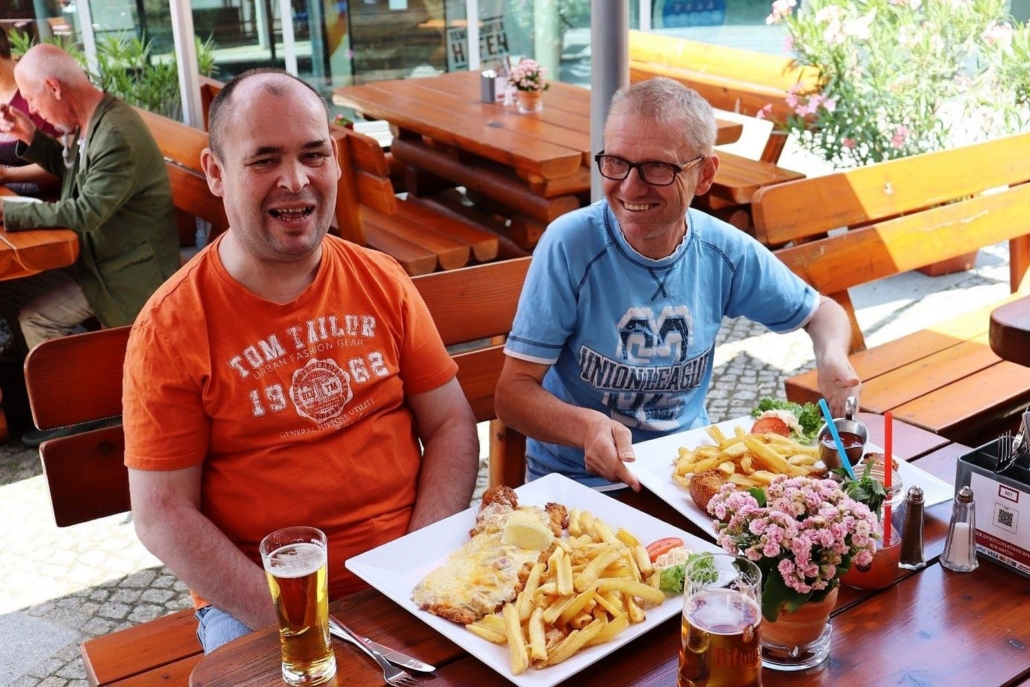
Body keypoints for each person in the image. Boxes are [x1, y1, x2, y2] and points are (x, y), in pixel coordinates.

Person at [122, 68, 479, 654]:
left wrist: (421, 562)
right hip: (259, 603)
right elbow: (162, 515)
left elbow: (450, 424)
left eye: (313, 154)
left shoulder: (381, 280)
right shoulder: (171, 327)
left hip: (411, 573)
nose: (296, 180)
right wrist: (301, 620)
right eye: (264, 160)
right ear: (216, 173)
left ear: (335, 161)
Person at [495, 77, 860, 492]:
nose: (630, 187)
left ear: (704, 174)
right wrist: (585, 427)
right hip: (579, 483)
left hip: (685, 476)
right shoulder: (570, 244)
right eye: (616, 162)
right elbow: (512, 396)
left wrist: (831, 355)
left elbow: (822, 312)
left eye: (657, 168)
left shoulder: (722, 250)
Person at [0, 43, 179, 358]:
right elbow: (74, 173)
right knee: (10, 290)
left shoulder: (114, 135)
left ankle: (74, 401)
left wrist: (10, 211)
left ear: (53, 87)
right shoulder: (93, 117)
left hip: (125, 271)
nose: (33, 110)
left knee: (36, 320)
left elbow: (86, 212)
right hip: (99, 254)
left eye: (31, 100)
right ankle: (28, 373)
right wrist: (31, 136)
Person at [0, 28, 60, 199]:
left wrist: (6, 175)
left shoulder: (36, 92)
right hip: (7, 200)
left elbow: (67, 161)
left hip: (45, 205)